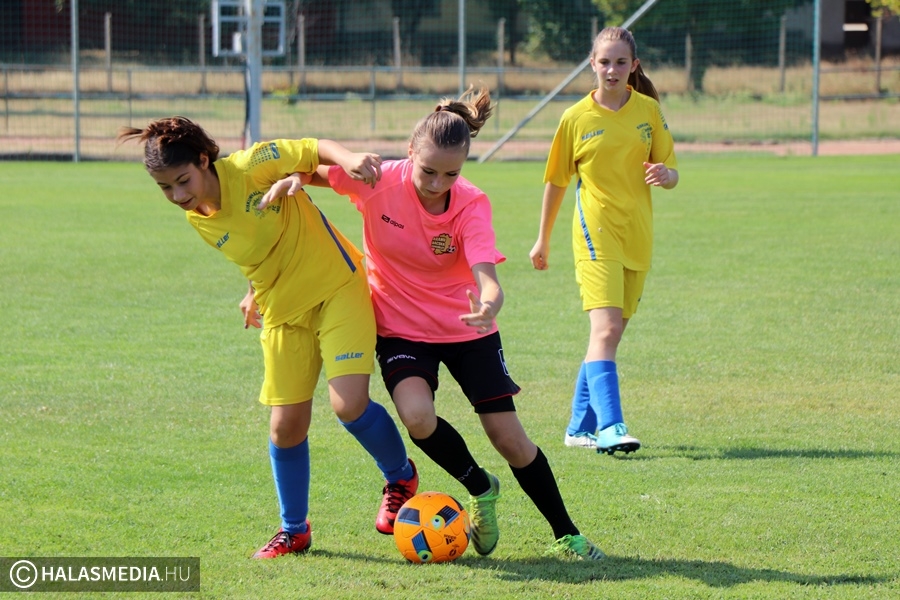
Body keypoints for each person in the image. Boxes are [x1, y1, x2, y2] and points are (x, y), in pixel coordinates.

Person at [258, 87, 604, 560]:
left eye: (451, 173)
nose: (438, 183)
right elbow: (311, 166)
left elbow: (489, 277)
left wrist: (489, 303)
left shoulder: (471, 202)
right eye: (428, 171)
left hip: (468, 328)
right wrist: (295, 178)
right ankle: (481, 488)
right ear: (409, 154)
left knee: (510, 438)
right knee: (417, 418)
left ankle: (567, 533)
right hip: (401, 328)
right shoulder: (376, 180)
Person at [117, 117, 418, 559]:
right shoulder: (196, 216)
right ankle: (294, 530)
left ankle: (400, 477)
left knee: (348, 403)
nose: (178, 195)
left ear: (204, 160)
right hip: (282, 309)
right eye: (165, 188)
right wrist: (253, 290)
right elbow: (257, 250)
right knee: (284, 427)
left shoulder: (252, 165)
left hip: (337, 287)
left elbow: (314, 147)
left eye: (183, 181)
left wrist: (351, 159)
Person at [529, 27, 679, 455]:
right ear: (591, 64)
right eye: (604, 61)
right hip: (595, 234)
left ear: (633, 65)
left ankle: (579, 427)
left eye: (620, 62)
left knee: (607, 336)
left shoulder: (648, 110)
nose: (611, 70)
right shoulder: (575, 118)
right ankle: (611, 427)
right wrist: (542, 240)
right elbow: (556, 182)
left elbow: (669, 168)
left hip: (638, 235)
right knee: (607, 329)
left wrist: (667, 176)